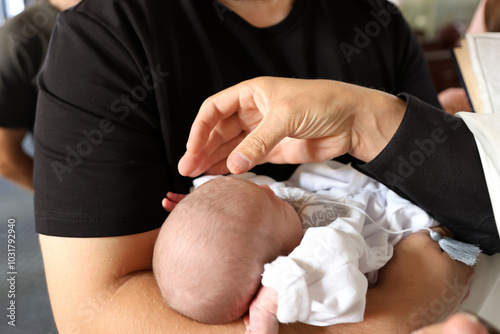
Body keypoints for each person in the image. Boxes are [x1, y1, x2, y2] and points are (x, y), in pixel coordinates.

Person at [34, 0, 479, 332]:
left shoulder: (377, 19)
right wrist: (399, 309)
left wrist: (369, 120)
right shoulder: (105, 40)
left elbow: (468, 198)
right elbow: (95, 314)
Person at [154, 162, 442, 333]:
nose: (271, 192)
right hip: (397, 216)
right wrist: (273, 299)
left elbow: (257, 188)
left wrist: (204, 198)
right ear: (281, 261)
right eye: (278, 207)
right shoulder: (311, 265)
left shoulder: (266, 217)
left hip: (360, 181)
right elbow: (334, 252)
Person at [0, 0, 79, 191]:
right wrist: (64, 202)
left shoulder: (137, 14)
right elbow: (5, 157)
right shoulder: (17, 38)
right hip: (93, 205)